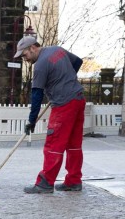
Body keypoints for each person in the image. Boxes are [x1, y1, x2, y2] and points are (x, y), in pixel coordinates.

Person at [14, 36, 86, 194]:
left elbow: (37, 96)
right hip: (78, 99)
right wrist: (66, 80)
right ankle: (74, 181)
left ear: (33, 48)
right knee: (74, 145)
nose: (24, 59)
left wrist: (31, 121)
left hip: (63, 105)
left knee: (54, 144)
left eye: (24, 55)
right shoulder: (57, 50)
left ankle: (45, 183)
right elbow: (78, 62)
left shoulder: (40, 65)